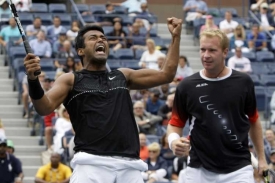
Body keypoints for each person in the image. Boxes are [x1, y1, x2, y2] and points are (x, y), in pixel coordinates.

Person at [24, 17, 182, 182]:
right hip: (91, 166)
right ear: (81, 51)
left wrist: (175, 37)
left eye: (103, 38)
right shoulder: (70, 79)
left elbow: (166, 74)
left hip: (130, 168)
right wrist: (33, 80)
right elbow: (43, 107)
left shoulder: (123, 75)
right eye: (93, 38)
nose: (100, 40)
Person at [167, 29, 268, 183]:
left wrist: (261, 159)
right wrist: (173, 140)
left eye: (212, 50)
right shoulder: (187, 86)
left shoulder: (243, 82)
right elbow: (175, 124)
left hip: (239, 169)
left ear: (225, 52)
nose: (206, 55)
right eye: (202, 49)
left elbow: (254, 121)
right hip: (198, 169)